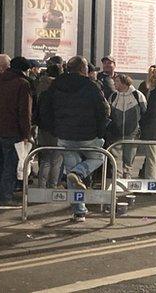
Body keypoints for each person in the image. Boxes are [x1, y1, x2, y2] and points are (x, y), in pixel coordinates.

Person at [39, 56, 110, 222]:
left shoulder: (55, 85)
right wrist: (101, 131)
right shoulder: (91, 85)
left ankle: (79, 211)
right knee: (99, 156)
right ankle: (80, 172)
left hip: (64, 136)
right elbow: (103, 110)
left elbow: (45, 109)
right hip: (88, 135)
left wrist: (54, 129)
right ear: (83, 69)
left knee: (71, 171)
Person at [0, 56, 33, 209]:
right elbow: (24, 112)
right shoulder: (22, 84)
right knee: (10, 164)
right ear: (24, 70)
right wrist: (26, 134)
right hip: (12, 131)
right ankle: (6, 198)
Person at [107, 74, 146, 179]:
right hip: (116, 132)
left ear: (124, 83)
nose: (114, 84)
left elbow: (144, 112)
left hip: (132, 132)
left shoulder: (138, 95)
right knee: (115, 157)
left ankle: (127, 177)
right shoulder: (113, 96)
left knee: (129, 157)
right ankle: (117, 178)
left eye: (117, 82)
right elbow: (108, 113)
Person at [33, 62, 62, 188]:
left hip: (44, 130)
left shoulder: (43, 92)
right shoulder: (62, 94)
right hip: (59, 130)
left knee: (45, 160)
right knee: (56, 161)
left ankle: (41, 187)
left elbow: (37, 111)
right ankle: (53, 186)